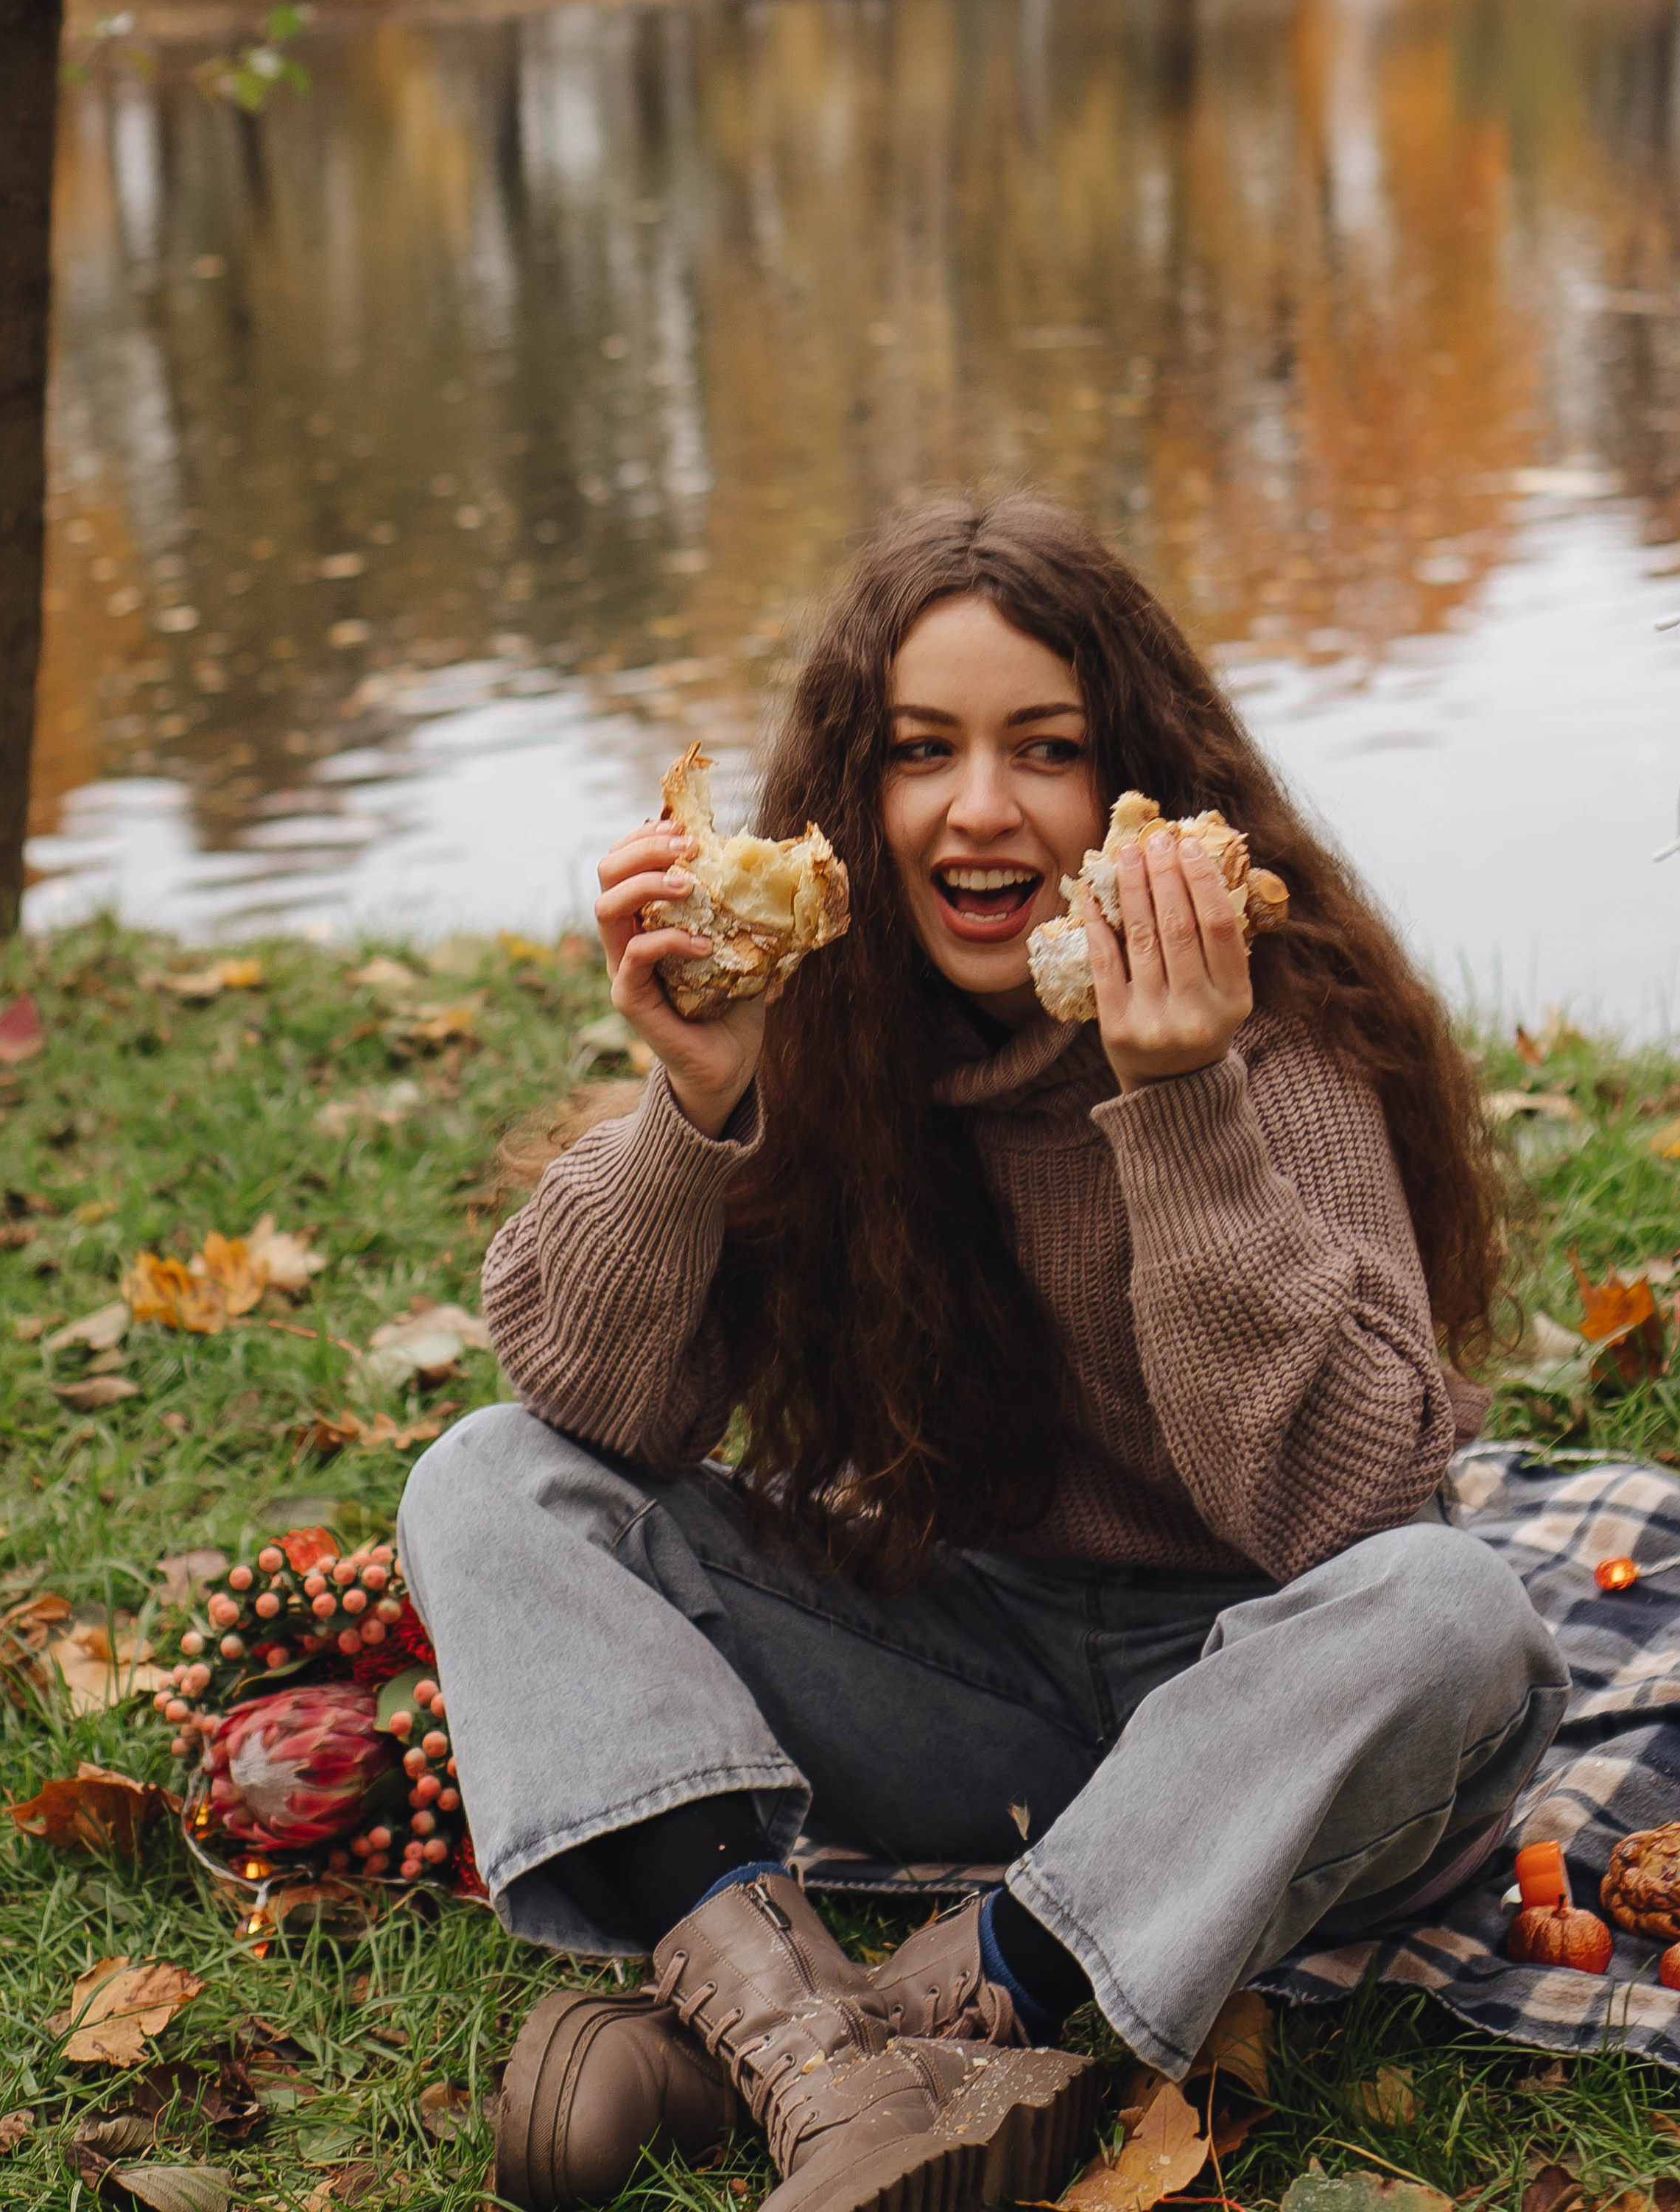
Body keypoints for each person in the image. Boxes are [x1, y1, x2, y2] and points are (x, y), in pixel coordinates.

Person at [399, 496, 1568, 2212]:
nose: (976, 806)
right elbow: (596, 1404)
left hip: (1258, 1716)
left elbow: (1350, 1511)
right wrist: (694, 1101)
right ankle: (812, 2045)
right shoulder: (820, 1022)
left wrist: (1181, 1106)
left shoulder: (1268, 1022)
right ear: (849, 800)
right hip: (964, 1674)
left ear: (1136, 788)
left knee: (1459, 1615)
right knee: (483, 1479)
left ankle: (902, 2025)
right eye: (918, 750)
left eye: (1044, 749)